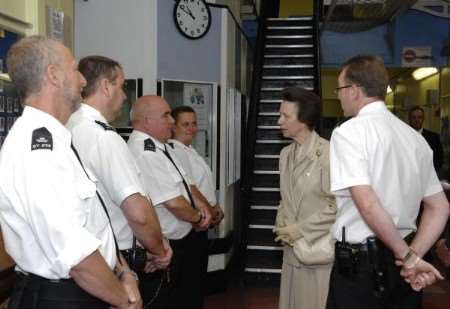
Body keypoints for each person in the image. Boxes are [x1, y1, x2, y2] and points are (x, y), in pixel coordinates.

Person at [0, 36, 141, 308]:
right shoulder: (38, 149)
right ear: (53, 75)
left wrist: (122, 271)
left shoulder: (60, 139)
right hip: (64, 297)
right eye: (74, 69)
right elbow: (76, 256)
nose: (83, 80)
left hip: (89, 289)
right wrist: (123, 300)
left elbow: (93, 223)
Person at [326, 54, 450, 309]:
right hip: (403, 264)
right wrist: (411, 255)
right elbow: (440, 207)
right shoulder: (415, 139)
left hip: (361, 269)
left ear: (354, 90)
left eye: (339, 89)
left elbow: (368, 205)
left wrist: (408, 257)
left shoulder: (349, 132)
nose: (338, 96)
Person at [66, 55, 172, 308]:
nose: (125, 96)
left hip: (85, 260)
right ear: (105, 86)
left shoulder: (68, 128)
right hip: (114, 261)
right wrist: (159, 251)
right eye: (121, 86)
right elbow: (138, 213)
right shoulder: (104, 138)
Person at [127, 95, 212, 309]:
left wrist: (203, 208)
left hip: (183, 240)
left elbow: (187, 185)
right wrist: (199, 217)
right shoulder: (145, 151)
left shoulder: (160, 148)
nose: (171, 121)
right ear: (147, 121)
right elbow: (173, 203)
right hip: (167, 245)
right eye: (166, 116)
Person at [272, 87, 337, 309]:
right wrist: (281, 221)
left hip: (316, 253)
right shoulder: (285, 155)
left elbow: (337, 205)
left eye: (285, 115)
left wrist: (300, 230)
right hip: (291, 253)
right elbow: (285, 198)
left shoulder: (328, 154)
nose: (279, 121)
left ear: (304, 119)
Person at [408, 105, 443, 173]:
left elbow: (439, 159)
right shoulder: (402, 136)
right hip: (408, 175)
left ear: (423, 119)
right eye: (413, 117)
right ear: (409, 119)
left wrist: (429, 173)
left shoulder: (434, 137)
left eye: (419, 117)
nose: (416, 120)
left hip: (428, 176)